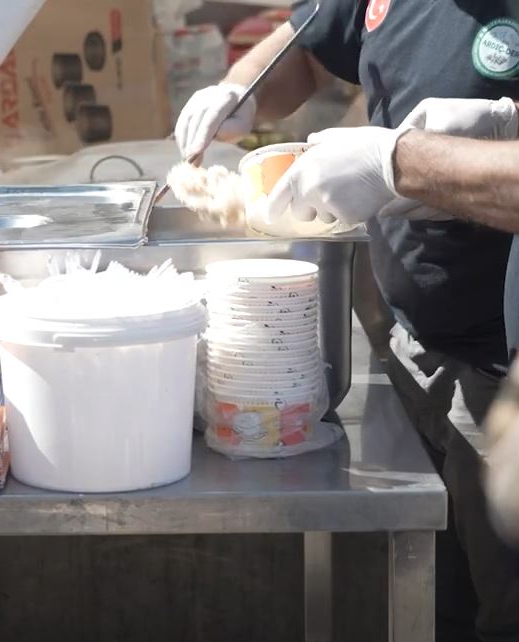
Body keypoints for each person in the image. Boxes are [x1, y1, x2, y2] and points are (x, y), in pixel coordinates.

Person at [175, 3, 519, 640]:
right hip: (411, 347)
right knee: (435, 603)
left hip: (503, 373)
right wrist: (240, 92)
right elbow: (304, 48)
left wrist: (403, 162)